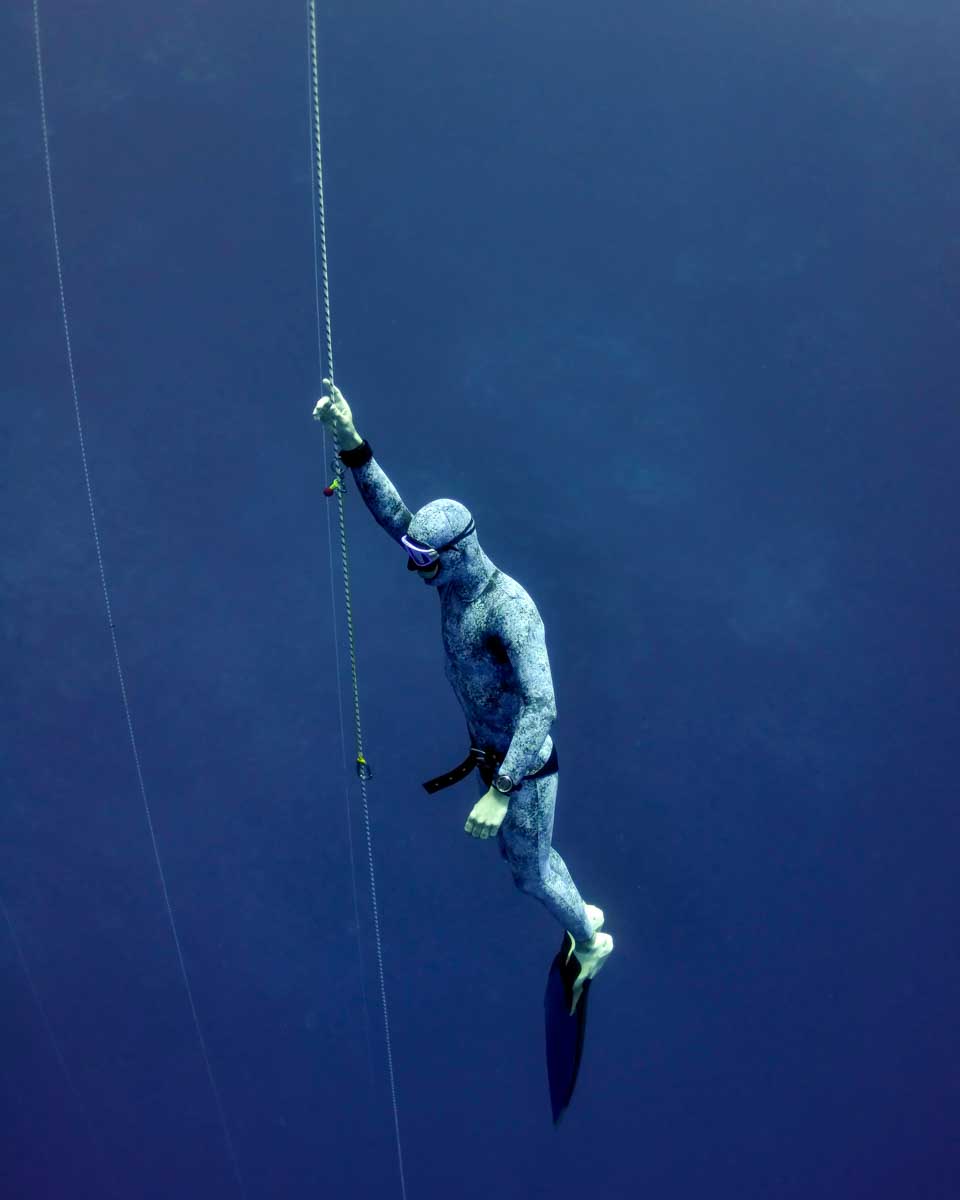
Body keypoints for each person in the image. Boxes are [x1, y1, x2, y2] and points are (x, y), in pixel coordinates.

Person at [313, 381, 612, 1007]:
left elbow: (543, 706)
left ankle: (589, 942)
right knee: (529, 857)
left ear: (457, 552)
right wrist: (351, 441)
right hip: (491, 757)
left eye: (424, 559)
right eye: (415, 557)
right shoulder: (451, 581)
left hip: (522, 769)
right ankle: (577, 904)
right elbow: (396, 519)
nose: (414, 567)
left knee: (528, 873)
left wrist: (502, 792)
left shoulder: (509, 609)